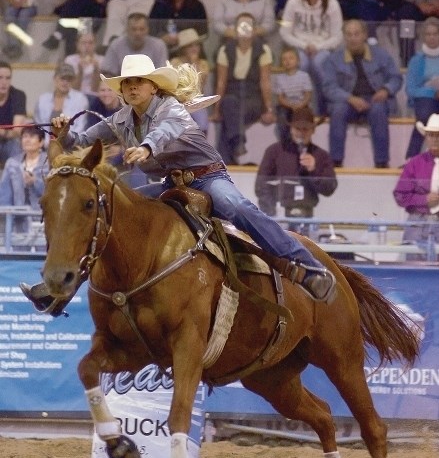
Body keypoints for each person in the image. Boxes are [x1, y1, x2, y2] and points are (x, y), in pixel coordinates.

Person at [20, 53, 336, 313]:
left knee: (238, 207)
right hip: (172, 183)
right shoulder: (120, 119)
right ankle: (61, 289)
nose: (131, 88)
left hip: (208, 178)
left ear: (153, 87)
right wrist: (63, 134)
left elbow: (165, 132)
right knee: (113, 212)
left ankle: (308, 268)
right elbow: (83, 141)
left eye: (138, 82)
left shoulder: (171, 108)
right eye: (127, 83)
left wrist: (145, 148)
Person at [322, 19, 403, 168]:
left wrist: (386, 90)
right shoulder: (333, 60)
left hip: (374, 98)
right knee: (338, 110)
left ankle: (381, 162)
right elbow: (328, 87)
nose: (353, 38)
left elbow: (396, 77)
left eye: (356, 34)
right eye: (349, 34)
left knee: (378, 110)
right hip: (347, 100)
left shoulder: (381, 54)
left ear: (365, 35)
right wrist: (350, 98)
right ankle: (335, 162)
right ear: (344, 37)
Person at [210, 13, 276, 164]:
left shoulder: (263, 50)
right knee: (229, 103)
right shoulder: (225, 49)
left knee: (231, 114)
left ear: (254, 30)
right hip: (232, 93)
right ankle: (238, 144)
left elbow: (265, 81)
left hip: (253, 96)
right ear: (235, 29)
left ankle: (226, 159)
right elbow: (221, 83)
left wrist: (269, 109)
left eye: (248, 26)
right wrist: (216, 110)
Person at [255, 106, 337, 225]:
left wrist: (314, 170)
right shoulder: (274, 151)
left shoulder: (321, 155)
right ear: (291, 129)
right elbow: (261, 185)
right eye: (297, 128)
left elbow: (330, 188)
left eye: (305, 129)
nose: (301, 133)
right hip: (279, 216)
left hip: (308, 215)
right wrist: (271, 214)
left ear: (313, 130)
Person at [280, 0, 344, 114]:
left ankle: (324, 109)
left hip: (324, 46)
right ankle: (297, 109)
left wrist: (318, 47)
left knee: (319, 63)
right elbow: (284, 32)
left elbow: (337, 36)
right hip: (298, 45)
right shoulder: (293, 2)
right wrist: (304, 45)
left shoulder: (333, 4)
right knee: (302, 64)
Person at [393, 113, 439, 260]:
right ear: (426, 136)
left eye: (438, 135)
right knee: (413, 264)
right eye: (431, 135)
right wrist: (424, 199)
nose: (435, 139)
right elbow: (400, 195)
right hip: (418, 222)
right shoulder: (415, 163)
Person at [0, 125, 48, 232]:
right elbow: (5, 195)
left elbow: (54, 191)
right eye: (25, 136)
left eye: (32, 136)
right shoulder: (12, 163)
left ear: (41, 142)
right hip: (19, 220)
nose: (27, 140)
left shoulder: (49, 163)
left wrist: (35, 182)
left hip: (44, 218)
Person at [405, 17, 439, 159]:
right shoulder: (416, 60)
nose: (432, 37)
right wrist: (432, 91)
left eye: (435, 34)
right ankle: (411, 158)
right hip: (425, 99)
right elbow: (411, 89)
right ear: (423, 37)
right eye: (428, 34)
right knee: (425, 115)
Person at [170, 28, 211, 134]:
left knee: (202, 124)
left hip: (196, 100)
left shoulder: (203, 64)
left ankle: (201, 148)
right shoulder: (175, 63)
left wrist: (194, 63)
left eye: (196, 45)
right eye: (190, 46)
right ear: (183, 48)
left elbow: (199, 87)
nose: (194, 48)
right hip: (177, 101)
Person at [102, 12, 168, 76]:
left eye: (142, 29)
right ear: (127, 30)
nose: (137, 33)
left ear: (148, 30)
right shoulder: (116, 45)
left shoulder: (159, 46)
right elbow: (108, 73)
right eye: (134, 29)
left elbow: (162, 75)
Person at [33, 63, 90, 136]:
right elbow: (38, 126)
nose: (65, 82)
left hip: (71, 144)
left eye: (69, 79)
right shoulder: (43, 99)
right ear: (54, 78)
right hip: (45, 143)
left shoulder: (80, 99)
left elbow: (81, 127)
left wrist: (66, 141)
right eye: (62, 78)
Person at [41, 0, 110, 56]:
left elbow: (103, 1)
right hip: (76, 14)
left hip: (92, 15)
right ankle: (70, 62)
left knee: (78, 29)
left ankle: (58, 34)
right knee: (72, 31)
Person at [272, 46, 313, 144]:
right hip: (286, 105)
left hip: (302, 104)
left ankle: (303, 142)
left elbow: (308, 95)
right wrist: (291, 105)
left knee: (304, 117)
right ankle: (285, 142)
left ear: (298, 61)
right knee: (282, 116)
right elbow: (280, 98)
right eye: (284, 59)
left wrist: (300, 105)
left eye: (291, 58)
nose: (287, 61)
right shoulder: (279, 78)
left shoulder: (304, 76)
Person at [0, 60, 27, 166]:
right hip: (7, 135)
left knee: (15, 147)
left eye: (8, 78)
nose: (4, 82)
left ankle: (18, 180)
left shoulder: (18, 96)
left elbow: (17, 131)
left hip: (10, 141)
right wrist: (5, 131)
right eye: (0, 77)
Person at [64, 31, 105, 96]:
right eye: (83, 43)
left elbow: (96, 89)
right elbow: (73, 88)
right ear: (77, 45)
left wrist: (96, 70)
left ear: (95, 45)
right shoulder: (70, 60)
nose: (87, 46)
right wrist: (80, 71)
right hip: (75, 95)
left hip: (95, 96)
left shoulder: (102, 60)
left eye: (90, 43)